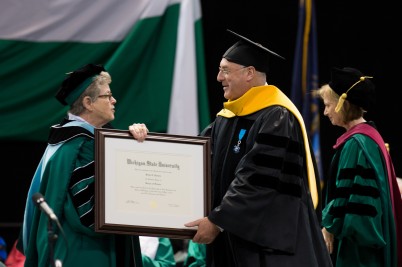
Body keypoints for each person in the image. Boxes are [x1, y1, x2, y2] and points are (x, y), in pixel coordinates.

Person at [184, 29, 332, 266]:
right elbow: (190, 157)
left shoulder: (277, 117)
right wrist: (142, 142)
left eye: (225, 70)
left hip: (268, 248)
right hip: (232, 242)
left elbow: (257, 179)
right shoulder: (226, 118)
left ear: (249, 73)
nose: (218, 78)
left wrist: (218, 221)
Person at [20, 64, 149, 267]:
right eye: (108, 96)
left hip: (68, 248)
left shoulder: (65, 141)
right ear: (88, 103)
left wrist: (134, 143)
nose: (114, 101)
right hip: (85, 251)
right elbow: (92, 214)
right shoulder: (83, 146)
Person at [313, 67, 402, 267]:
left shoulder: (357, 144)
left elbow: (351, 197)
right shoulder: (370, 137)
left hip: (358, 248)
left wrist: (329, 225)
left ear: (343, 105)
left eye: (328, 105)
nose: (325, 112)